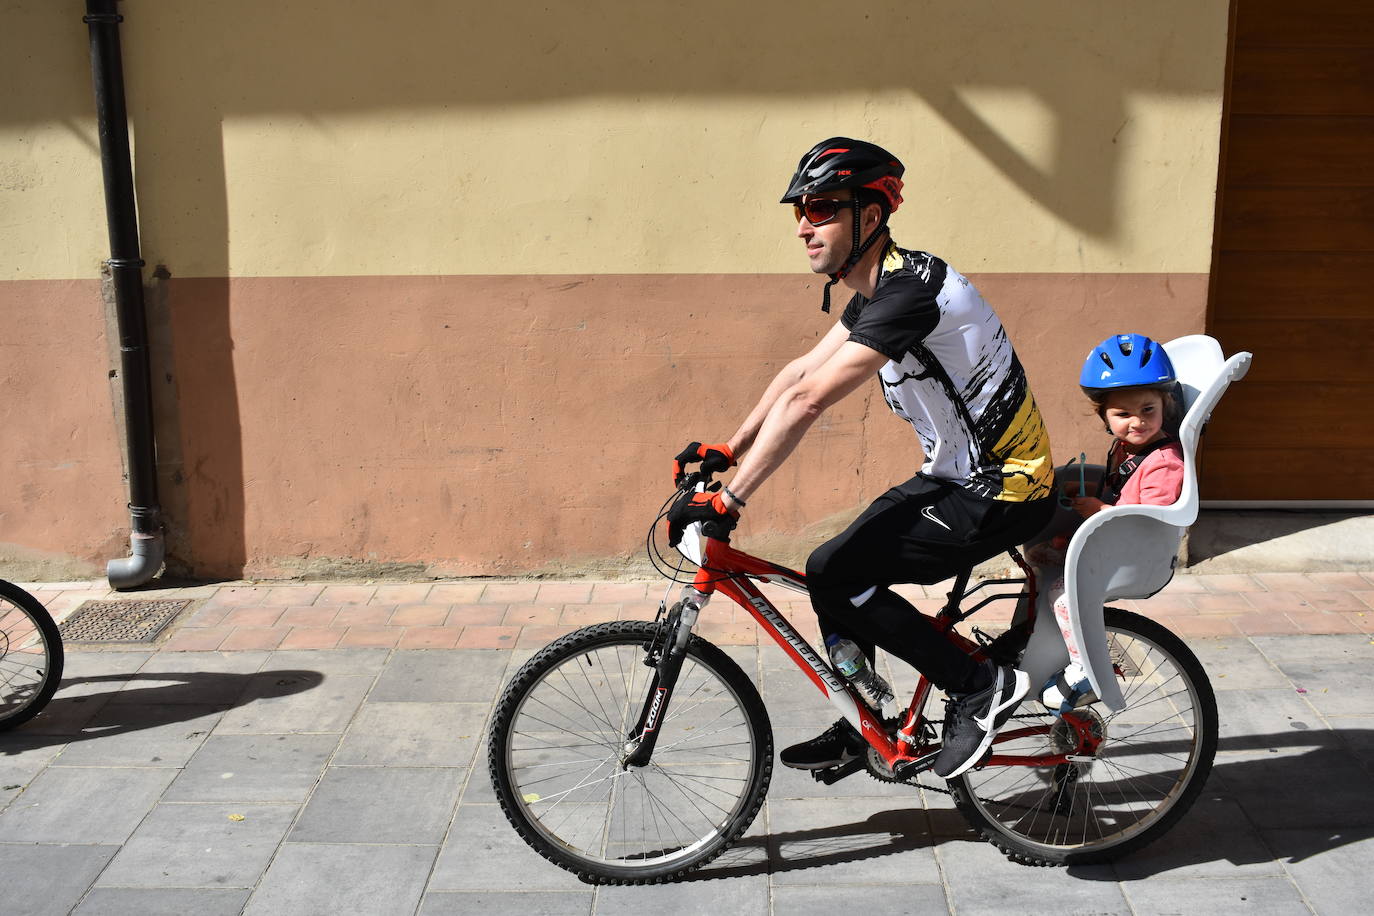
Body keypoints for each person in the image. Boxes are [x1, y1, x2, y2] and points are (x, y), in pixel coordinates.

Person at [668, 138, 1056, 779]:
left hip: (1003, 490)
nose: (803, 226)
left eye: (820, 208)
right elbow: (801, 371)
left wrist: (731, 499)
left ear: (868, 217)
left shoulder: (910, 293)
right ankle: (863, 716)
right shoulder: (883, 290)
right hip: (954, 477)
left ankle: (978, 684)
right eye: (800, 210)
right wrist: (729, 448)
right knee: (829, 567)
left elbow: (812, 399)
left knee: (843, 575)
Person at [1032, 333, 1185, 713]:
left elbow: (1149, 514)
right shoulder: (1128, 448)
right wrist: (1088, 491)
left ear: (1164, 406)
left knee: (1062, 598)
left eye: (1148, 410)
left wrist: (1101, 510)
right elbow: (1123, 486)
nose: (1137, 422)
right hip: (1111, 540)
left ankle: (1085, 669)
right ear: (1104, 416)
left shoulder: (1164, 459)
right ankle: (1040, 645)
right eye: (1123, 414)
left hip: (1132, 551)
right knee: (1040, 560)